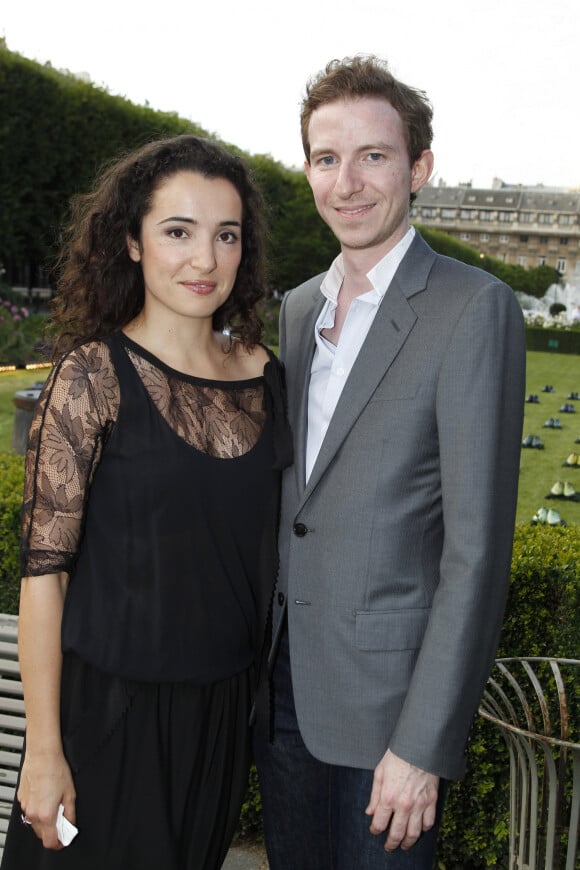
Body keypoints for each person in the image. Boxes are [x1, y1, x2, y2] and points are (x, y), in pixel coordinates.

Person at [254, 56, 526, 869]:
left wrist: (423, 746)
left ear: (419, 167)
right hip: (283, 699)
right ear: (307, 170)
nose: (349, 182)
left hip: (389, 725)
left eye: (373, 155)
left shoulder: (474, 308)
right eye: (326, 158)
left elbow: (476, 554)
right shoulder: (297, 308)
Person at [2, 134, 291, 870]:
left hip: (222, 718)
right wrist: (43, 752)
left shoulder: (268, 376)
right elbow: (45, 576)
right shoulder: (92, 377)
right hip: (107, 719)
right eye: (177, 231)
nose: (205, 259)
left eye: (226, 235)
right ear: (131, 242)